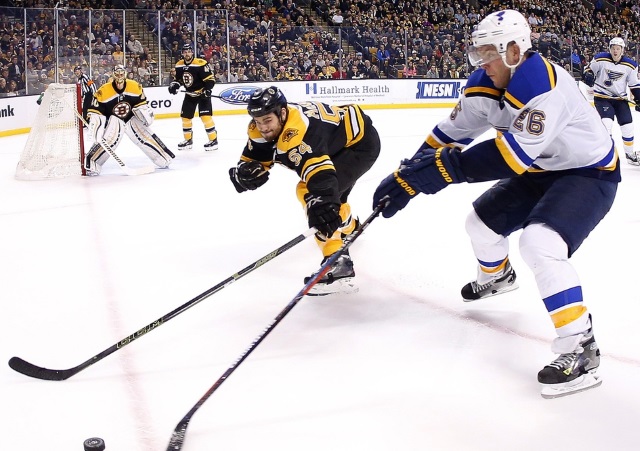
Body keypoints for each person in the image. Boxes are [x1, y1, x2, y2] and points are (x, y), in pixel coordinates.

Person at [372, 10, 618, 399]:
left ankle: (580, 345)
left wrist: (438, 174)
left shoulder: (545, 86)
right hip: (539, 169)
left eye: (488, 52)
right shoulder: (483, 83)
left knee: (540, 243)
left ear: (516, 50)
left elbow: (509, 157)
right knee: (480, 225)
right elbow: (451, 134)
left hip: (588, 172)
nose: (480, 62)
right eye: (478, 52)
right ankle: (497, 277)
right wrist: (409, 173)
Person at [229, 86, 380, 295]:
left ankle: (338, 262)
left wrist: (322, 202)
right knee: (330, 201)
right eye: (258, 121)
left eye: (267, 120)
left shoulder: (299, 133)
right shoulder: (261, 127)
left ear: (282, 113)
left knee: (313, 195)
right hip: (336, 142)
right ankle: (348, 225)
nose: (262, 127)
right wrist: (245, 172)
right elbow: (256, 157)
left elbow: (320, 175)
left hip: (358, 145)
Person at [85, 64, 175, 175]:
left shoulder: (134, 86)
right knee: (109, 141)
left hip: (130, 118)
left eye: (121, 74)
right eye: (117, 74)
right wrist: (96, 125)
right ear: (113, 74)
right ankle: (92, 163)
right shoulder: (103, 91)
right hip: (113, 121)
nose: (119, 77)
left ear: (125, 74)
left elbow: (142, 105)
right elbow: (95, 111)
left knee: (145, 136)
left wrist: (145, 115)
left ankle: (163, 158)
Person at [583, 37, 640, 165]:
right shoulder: (600, 59)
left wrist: (639, 99)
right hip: (603, 98)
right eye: (613, 48)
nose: (615, 51)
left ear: (622, 50)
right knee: (606, 124)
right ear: (610, 49)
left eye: (618, 49)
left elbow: (634, 85)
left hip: (620, 100)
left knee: (628, 127)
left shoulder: (630, 65)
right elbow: (588, 70)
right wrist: (588, 75)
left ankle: (630, 154)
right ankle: (605, 154)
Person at [168, 43, 219, 151]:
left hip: (202, 94)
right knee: (185, 118)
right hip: (190, 94)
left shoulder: (200, 63)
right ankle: (188, 141)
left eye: (189, 51)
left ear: (192, 52)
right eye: (185, 52)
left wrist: (208, 90)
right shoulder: (179, 65)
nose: (187, 54)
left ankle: (213, 140)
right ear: (182, 53)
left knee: (206, 117)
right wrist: (175, 85)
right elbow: (179, 80)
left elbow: (210, 79)